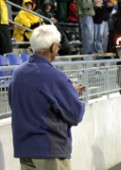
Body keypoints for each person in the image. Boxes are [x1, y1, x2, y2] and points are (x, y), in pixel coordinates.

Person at [8, 24, 86, 170]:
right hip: (49, 150)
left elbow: (17, 104)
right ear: (53, 47)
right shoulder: (55, 77)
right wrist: (73, 94)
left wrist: (69, 92)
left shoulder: (17, 74)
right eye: (58, 46)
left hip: (24, 149)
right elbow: (75, 114)